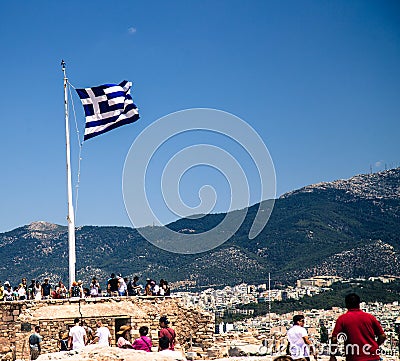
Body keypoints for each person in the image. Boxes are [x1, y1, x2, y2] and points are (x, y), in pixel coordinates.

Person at [330, 293, 386, 361]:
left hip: (354, 357)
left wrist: (332, 355)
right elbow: (382, 336)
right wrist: (375, 346)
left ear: (346, 304)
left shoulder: (342, 319)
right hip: (373, 356)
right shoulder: (370, 317)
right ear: (359, 304)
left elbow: (334, 339)